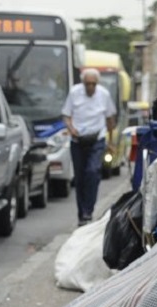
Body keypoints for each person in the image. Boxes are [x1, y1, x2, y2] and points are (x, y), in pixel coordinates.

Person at [61, 68, 117, 226]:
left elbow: (110, 119)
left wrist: (111, 142)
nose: (90, 87)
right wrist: (72, 129)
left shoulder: (104, 94)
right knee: (79, 178)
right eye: (88, 84)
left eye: (93, 84)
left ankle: (88, 210)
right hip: (78, 140)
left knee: (92, 172)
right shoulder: (74, 93)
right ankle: (82, 214)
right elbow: (66, 115)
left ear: (97, 84)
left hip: (96, 139)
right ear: (83, 83)